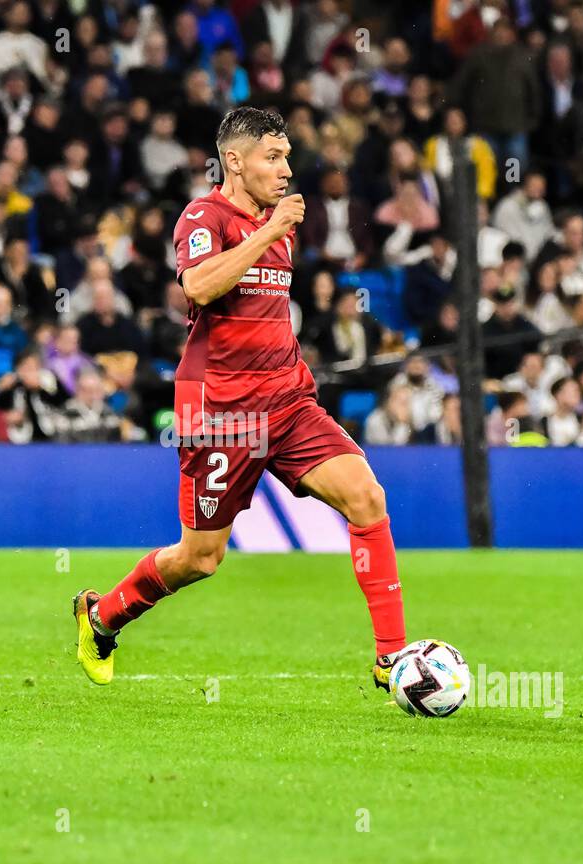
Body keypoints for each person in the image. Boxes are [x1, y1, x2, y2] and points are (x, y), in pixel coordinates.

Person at [70, 107, 411, 698]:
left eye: (286, 158)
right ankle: (102, 616)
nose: (285, 171)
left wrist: (272, 229)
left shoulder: (276, 222)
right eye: (271, 158)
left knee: (366, 496)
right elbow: (198, 287)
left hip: (286, 398)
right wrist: (267, 232)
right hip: (221, 410)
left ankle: (392, 660)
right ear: (234, 160)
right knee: (200, 558)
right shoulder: (203, 217)